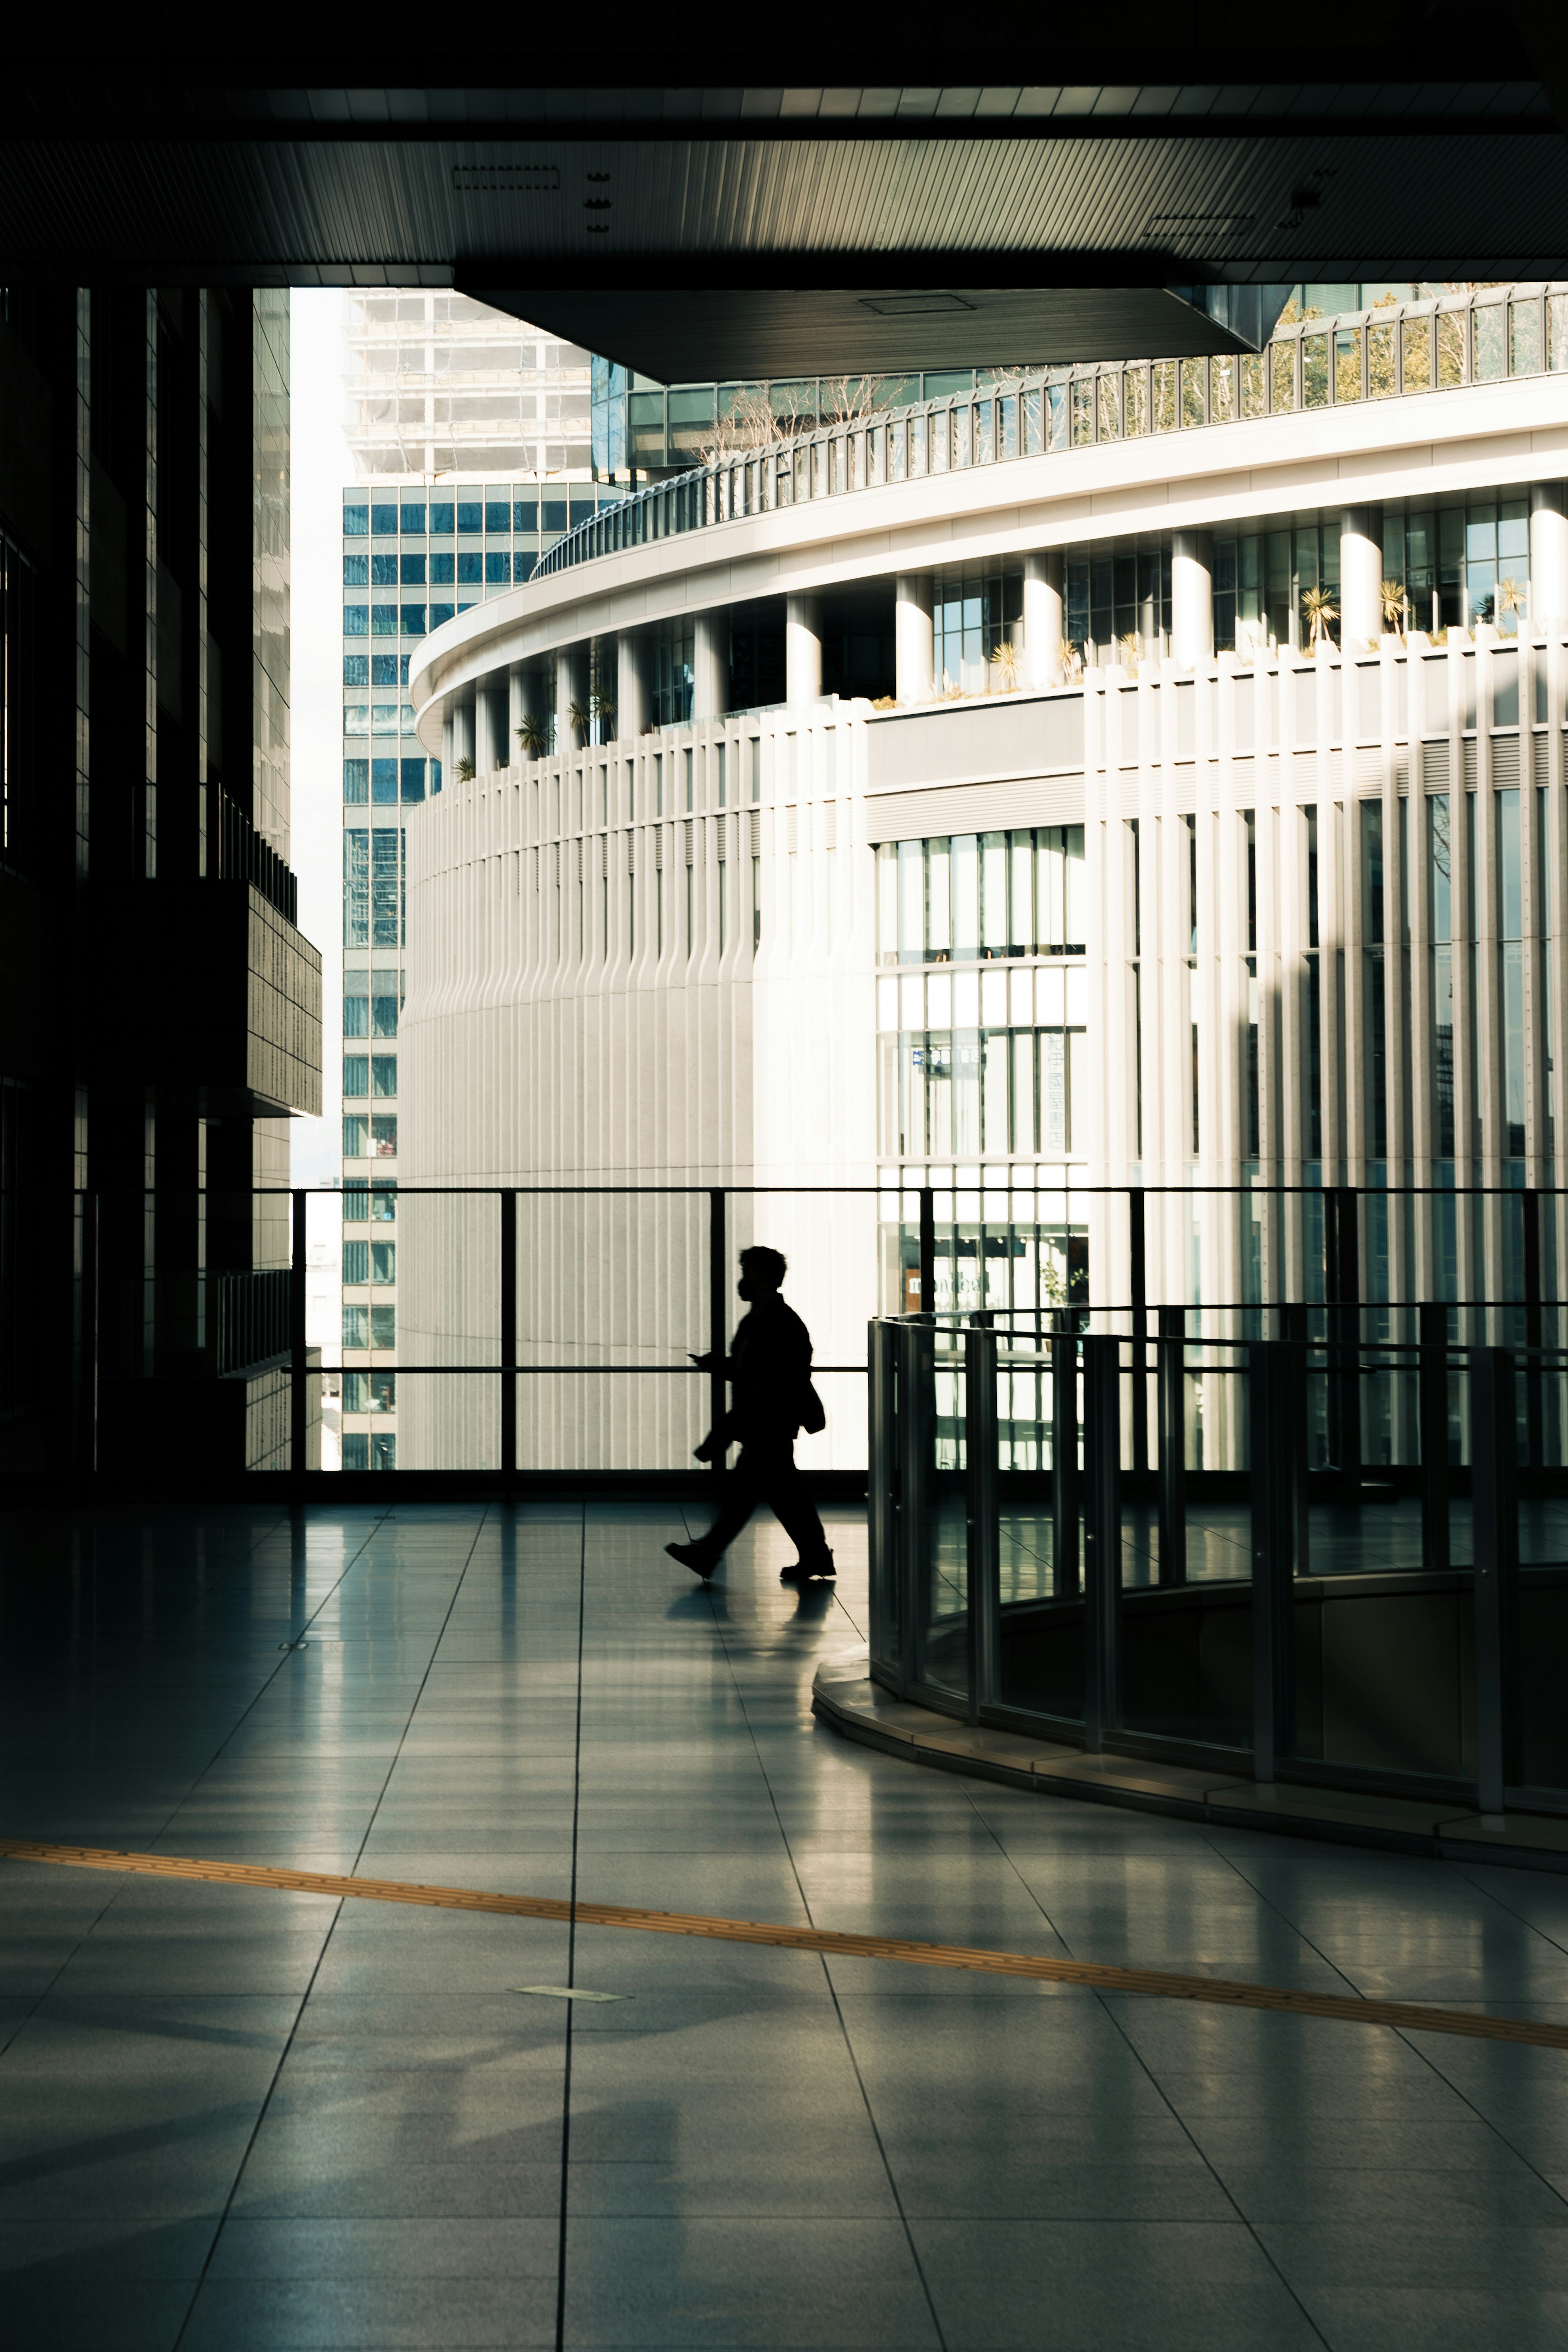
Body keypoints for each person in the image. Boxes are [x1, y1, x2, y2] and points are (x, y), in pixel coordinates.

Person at [666, 1246, 836, 1582]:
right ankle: (815, 1554)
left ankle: (709, 1552)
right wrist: (723, 1367)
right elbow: (758, 1373)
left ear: (768, 1278)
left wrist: (732, 1376)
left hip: (768, 1422)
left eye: (749, 1273)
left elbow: (780, 1377)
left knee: (749, 1493)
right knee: (783, 1495)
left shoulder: (778, 1323)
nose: (744, 1280)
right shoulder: (765, 1319)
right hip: (766, 1422)